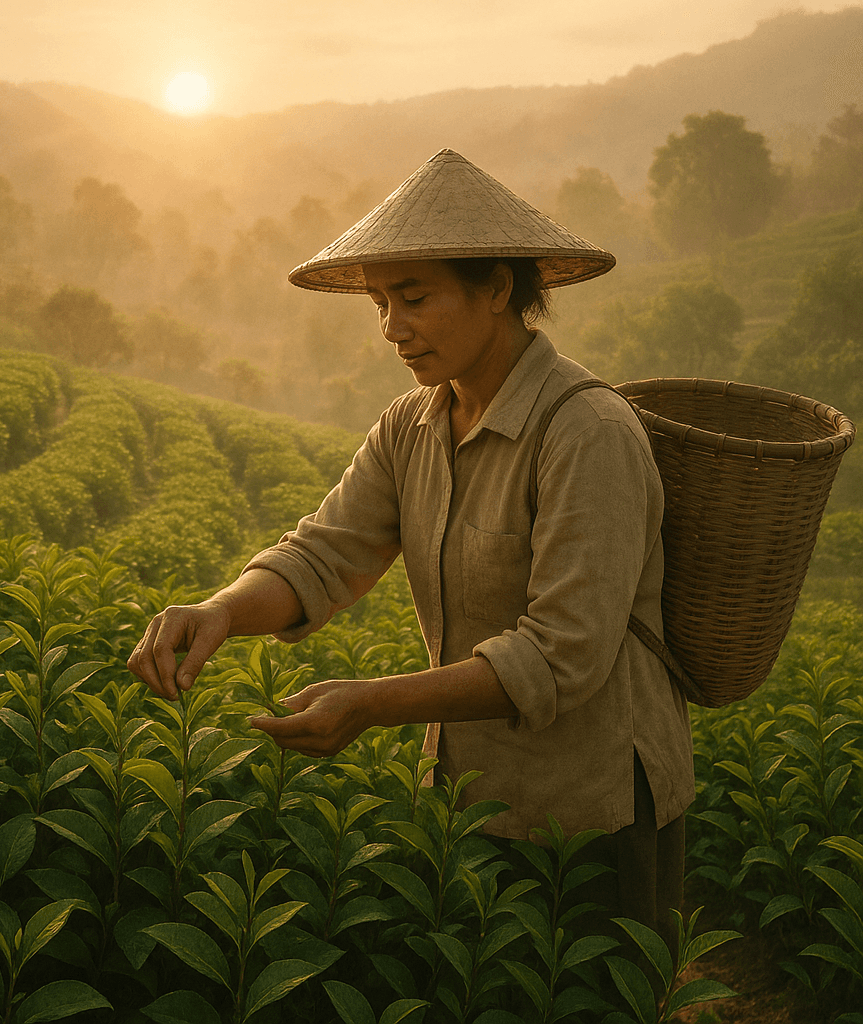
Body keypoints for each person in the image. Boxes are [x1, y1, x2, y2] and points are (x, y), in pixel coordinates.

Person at [127, 149, 695, 942]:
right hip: (474, 797)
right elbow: (325, 554)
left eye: (415, 297)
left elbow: (563, 655)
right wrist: (221, 612)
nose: (393, 328)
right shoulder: (412, 424)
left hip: (594, 816)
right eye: (380, 302)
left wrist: (369, 703)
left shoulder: (586, 433)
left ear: (497, 288)